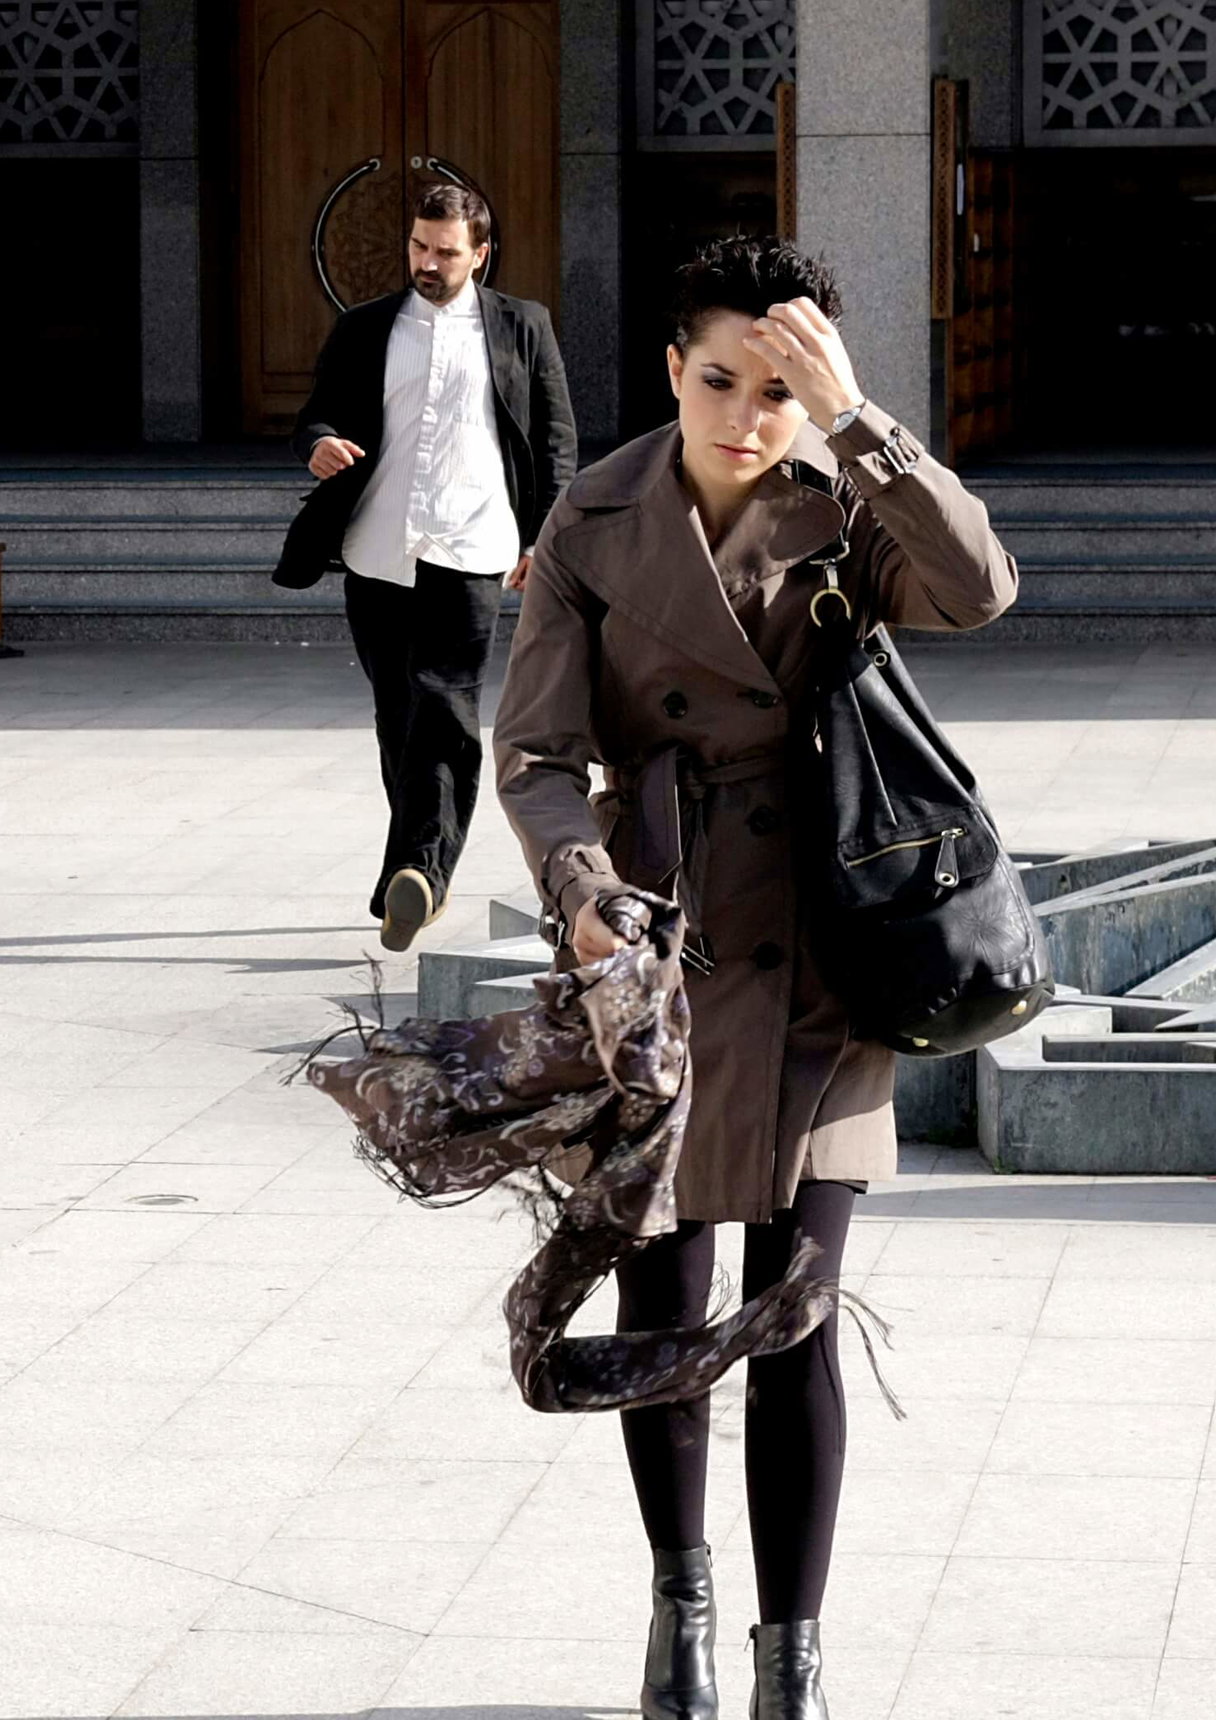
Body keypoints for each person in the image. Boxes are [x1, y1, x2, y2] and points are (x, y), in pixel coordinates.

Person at [492, 237, 1017, 1719]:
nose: (745, 417)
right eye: (720, 381)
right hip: (654, 956)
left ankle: (795, 1660)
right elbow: (533, 752)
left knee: (796, 1311)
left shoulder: (847, 502)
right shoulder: (593, 520)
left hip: (826, 951)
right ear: (673, 369)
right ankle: (682, 1610)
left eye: (778, 393)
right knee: (664, 1315)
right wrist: (582, 893)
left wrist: (859, 422)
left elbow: (979, 588)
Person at [275, 182, 578, 952]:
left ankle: (419, 873)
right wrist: (318, 443)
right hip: (376, 548)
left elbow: (555, 440)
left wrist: (542, 538)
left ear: (480, 254)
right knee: (398, 717)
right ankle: (415, 867)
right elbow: (316, 414)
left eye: (445, 251)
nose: (428, 262)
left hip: (472, 547)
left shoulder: (522, 326)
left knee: (444, 704)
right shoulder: (367, 327)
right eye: (419, 246)